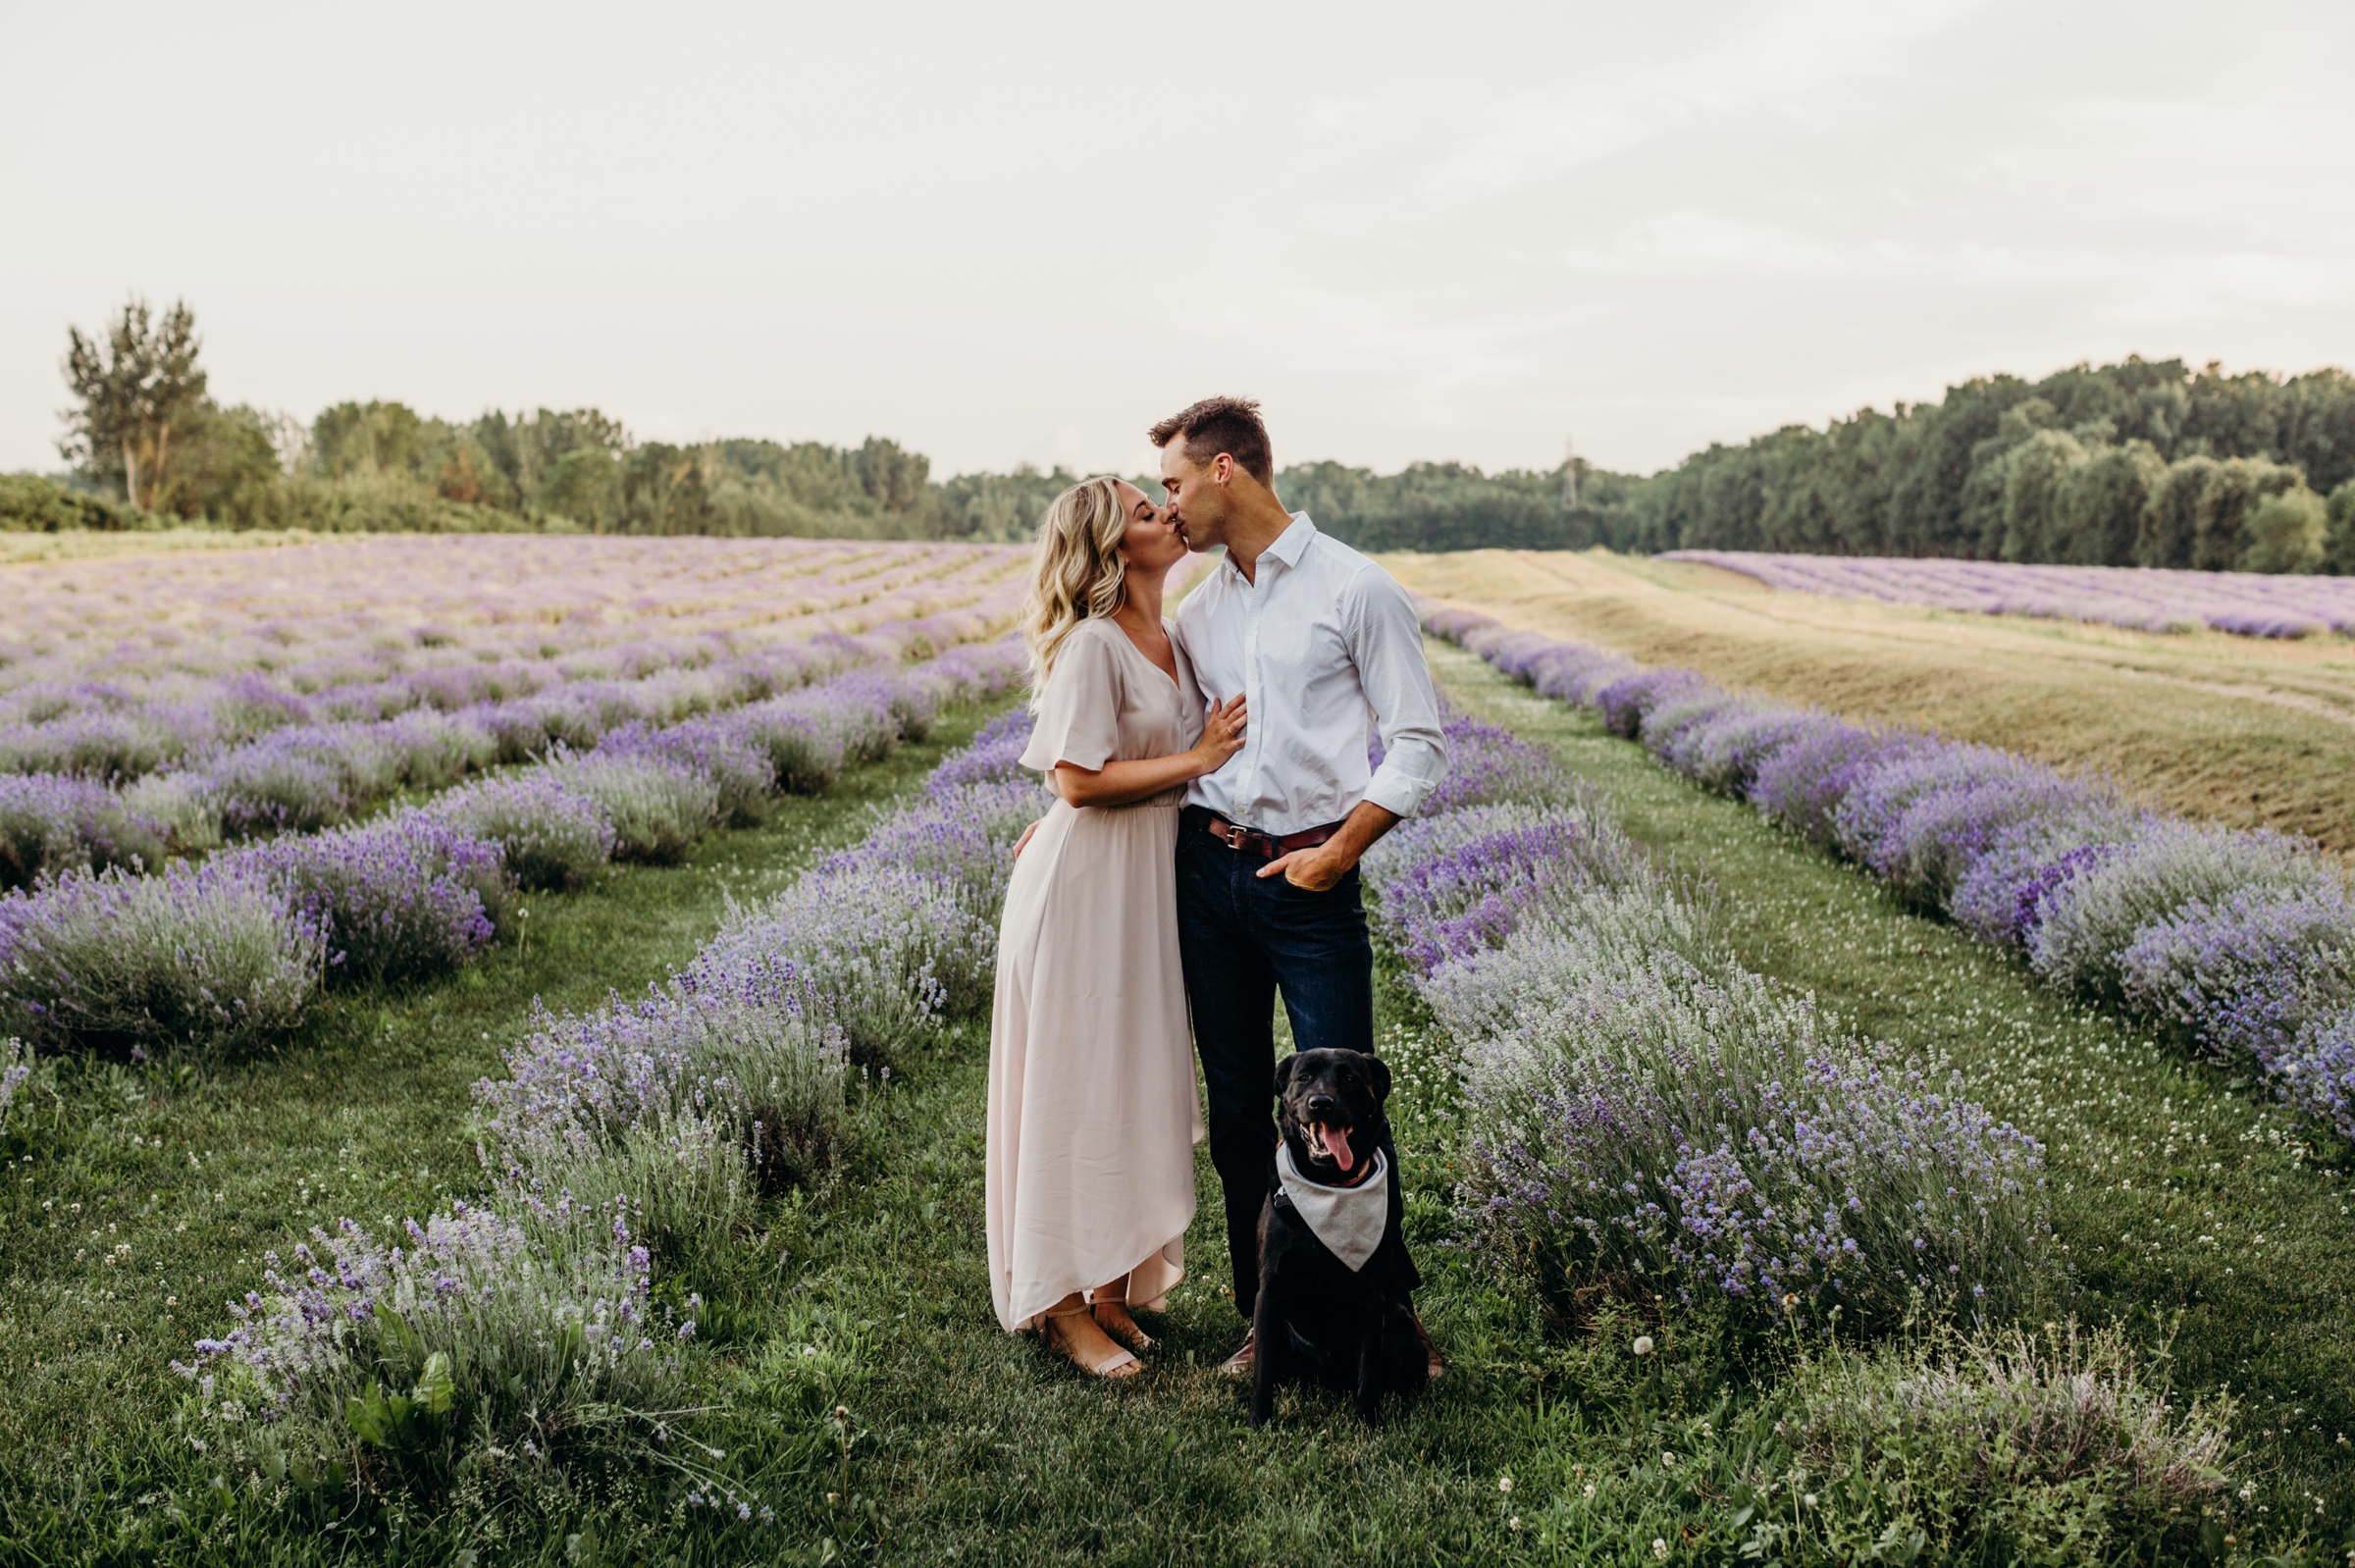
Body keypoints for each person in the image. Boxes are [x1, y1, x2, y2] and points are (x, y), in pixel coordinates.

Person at [1153, 395, 1448, 1380]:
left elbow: (1417, 744)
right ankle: (1265, 1319)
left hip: (1313, 876)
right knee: (1241, 1110)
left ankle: (1389, 1316)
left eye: (1176, 482)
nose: (1170, 505)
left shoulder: (1355, 588)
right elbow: (1176, 746)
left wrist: (1339, 851)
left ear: (1226, 471)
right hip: (1212, 871)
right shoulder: (1198, 613)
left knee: (1351, 1102)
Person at [986, 474, 1249, 1378]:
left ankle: (1108, 1285)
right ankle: (1061, 1307)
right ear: (1110, 549)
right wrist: (1199, 755)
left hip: (1140, 888)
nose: (1167, 516)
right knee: (1072, 1087)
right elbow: (1077, 780)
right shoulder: (1095, 643)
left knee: (1126, 1079)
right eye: (1146, 513)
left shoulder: (1169, 635)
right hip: (1083, 890)